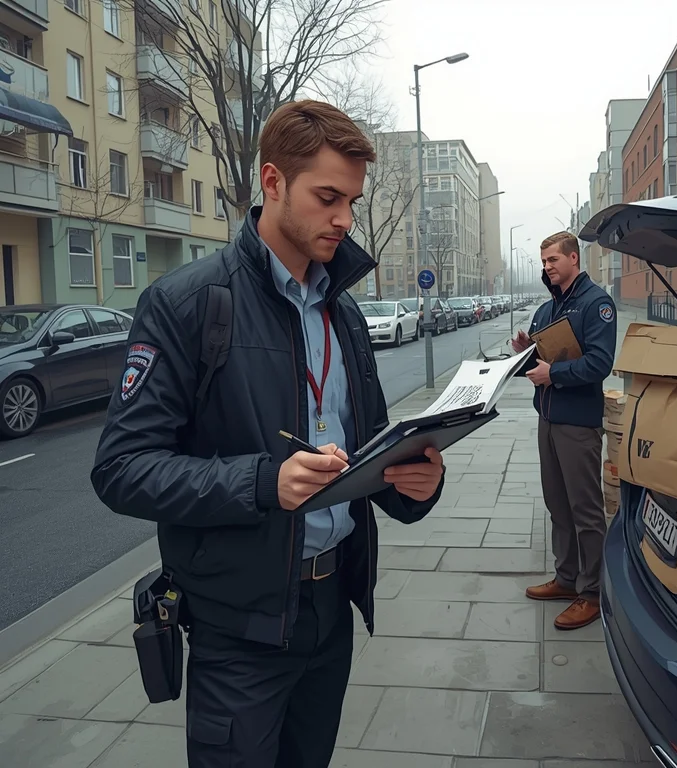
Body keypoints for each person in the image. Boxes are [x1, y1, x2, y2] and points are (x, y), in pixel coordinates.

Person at [91, 100, 445, 768]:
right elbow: (121, 467)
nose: (344, 219)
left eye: (353, 201)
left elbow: (368, 449)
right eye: (328, 197)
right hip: (239, 630)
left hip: (332, 612)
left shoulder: (343, 315)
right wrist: (262, 482)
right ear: (273, 183)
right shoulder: (189, 304)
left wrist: (416, 484)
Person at [512, 231, 617, 630]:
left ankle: (591, 593)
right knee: (558, 504)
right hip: (549, 419)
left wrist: (552, 373)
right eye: (543, 262)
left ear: (574, 258)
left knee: (585, 510)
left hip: (578, 423)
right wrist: (524, 353)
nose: (546, 267)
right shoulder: (545, 310)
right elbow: (537, 364)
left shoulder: (596, 304)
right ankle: (567, 577)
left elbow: (599, 363)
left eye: (552, 260)